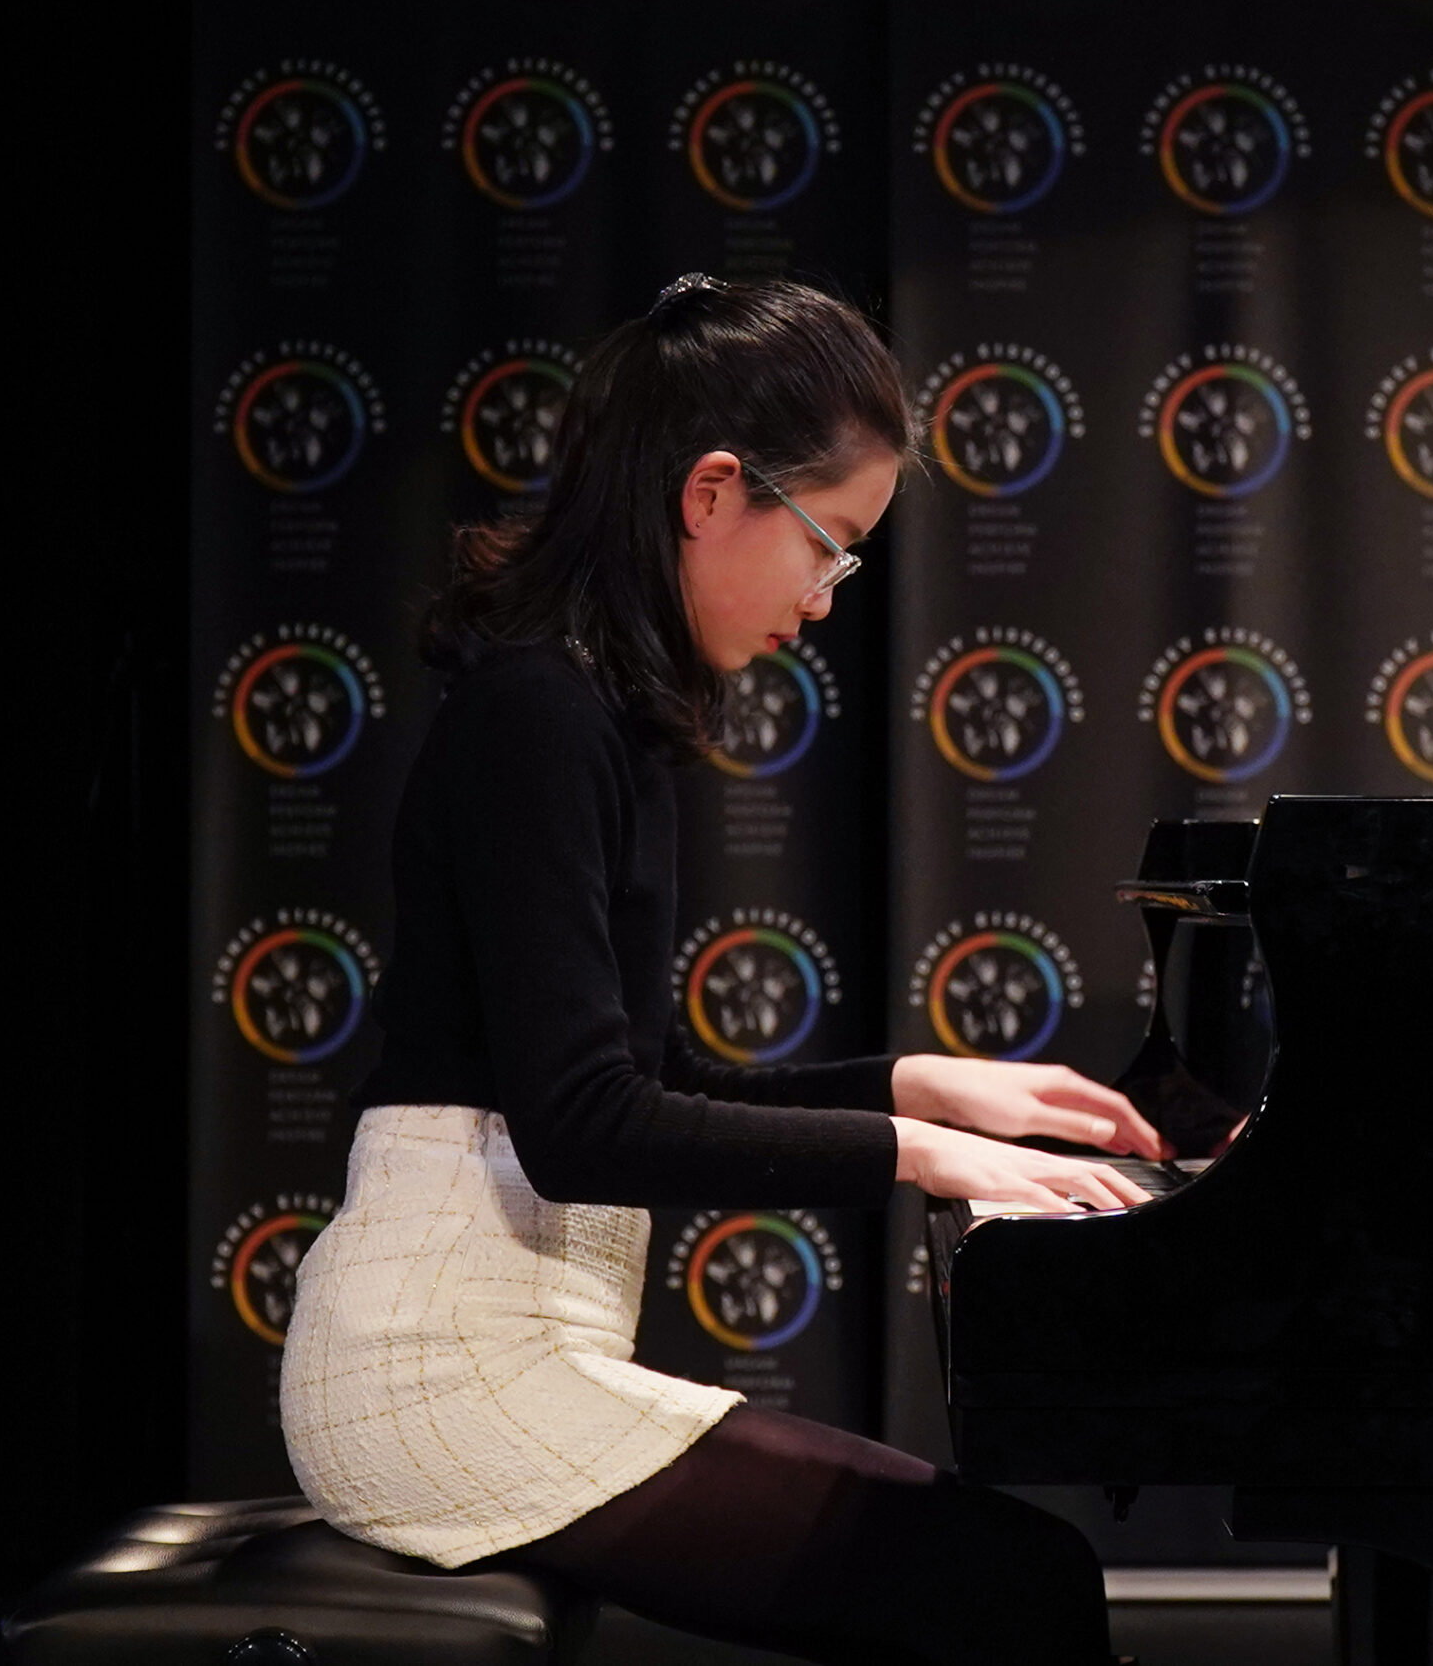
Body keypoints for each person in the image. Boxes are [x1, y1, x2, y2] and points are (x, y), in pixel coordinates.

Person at [279, 275, 1161, 1666]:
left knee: (1005, 1579)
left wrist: (921, 1082)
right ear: (710, 494)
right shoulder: (537, 714)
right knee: (1011, 1583)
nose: (824, 600)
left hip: (502, 1352)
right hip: (435, 1378)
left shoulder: (584, 713)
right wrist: (922, 1156)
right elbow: (582, 1131)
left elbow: (638, 1081)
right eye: (833, 547)